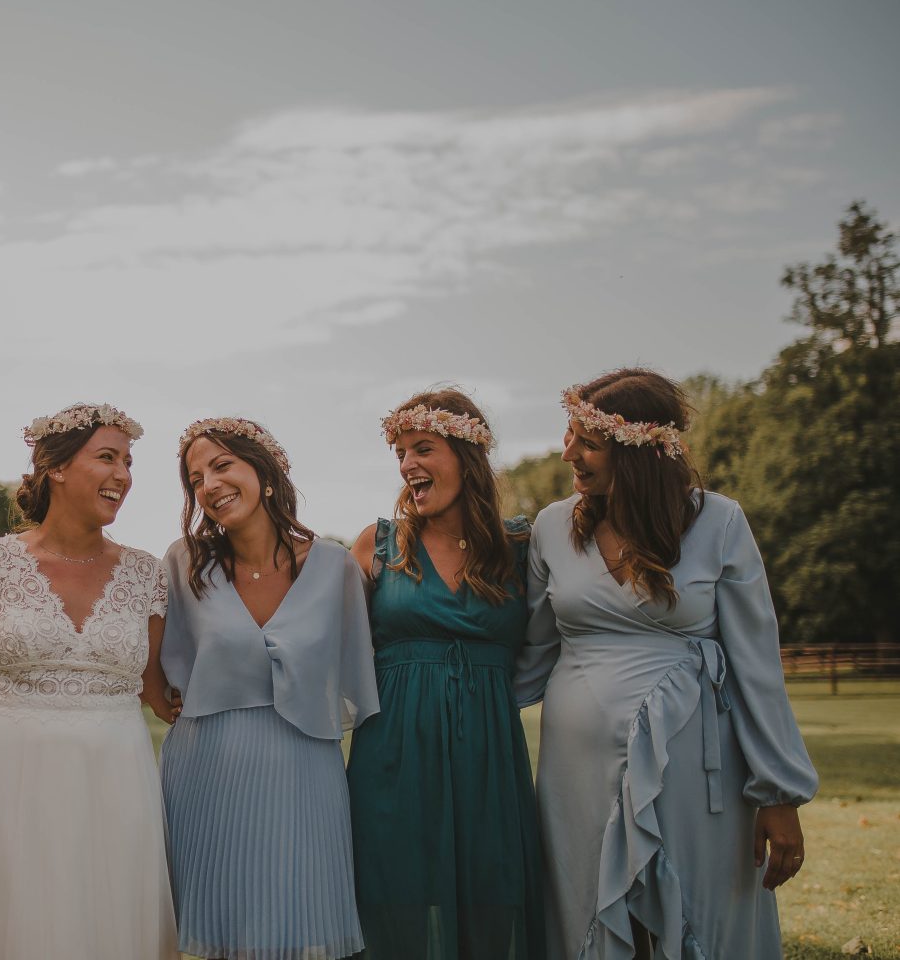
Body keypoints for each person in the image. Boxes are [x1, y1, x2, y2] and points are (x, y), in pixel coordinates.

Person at [516, 368, 819, 959]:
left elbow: (756, 663)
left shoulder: (719, 522)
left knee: (698, 912)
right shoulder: (552, 528)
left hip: (695, 767)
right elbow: (529, 654)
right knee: (585, 907)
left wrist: (779, 792)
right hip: (577, 770)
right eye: (569, 435)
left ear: (637, 454)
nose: (567, 453)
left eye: (587, 441)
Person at [0, 402, 180, 960]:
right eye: (107, 458)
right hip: (11, 777)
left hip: (117, 779)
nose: (123, 476)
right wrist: (7, 701)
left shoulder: (146, 572)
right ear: (54, 467)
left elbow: (158, 693)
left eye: (129, 463)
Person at [161, 416, 380, 960]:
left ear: (263, 469)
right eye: (194, 479)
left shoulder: (334, 567)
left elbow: (356, 679)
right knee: (220, 931)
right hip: (207, 767)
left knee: (299, 923)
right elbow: (154, 662)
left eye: (221, 465)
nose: (208, 485)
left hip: (304, 768)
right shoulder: (184, 563)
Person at [345, 391, 546, 960]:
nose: (408, 464)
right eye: (401, 452)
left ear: (468, 455)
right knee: (395, 892)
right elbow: (320, 640)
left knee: (493, 890)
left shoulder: (521, 547)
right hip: (395, 751)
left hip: (490, 753)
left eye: (423, 448)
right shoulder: (378, 545)